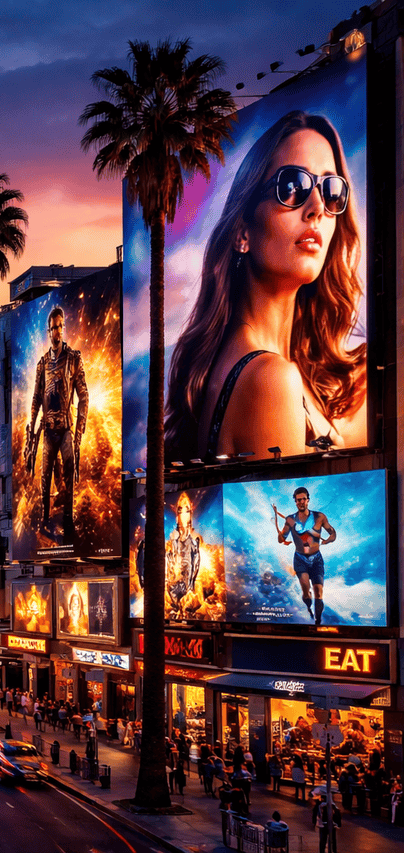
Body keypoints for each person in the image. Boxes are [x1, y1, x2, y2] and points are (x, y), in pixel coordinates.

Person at [165, 111, 367, 463]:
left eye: (331, 191)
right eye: (293, 187)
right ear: (243, 232)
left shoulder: (268, 366)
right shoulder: (270, 379)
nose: (318, 208)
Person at [26, 305, 88, 540]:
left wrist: (80, 429)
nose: (57, 331)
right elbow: (35, 397)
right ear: (48, 331)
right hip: (48, 429)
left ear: (64, 327)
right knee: (44, 478)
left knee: (70, 473)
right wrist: (32, 428)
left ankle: (69, 521)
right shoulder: (42, 364)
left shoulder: (73, 359)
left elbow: (84, 396)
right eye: (53, 328)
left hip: (66, 428)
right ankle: (44, 521)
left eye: (60, 326)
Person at [273, 486, 337, 625]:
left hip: (316, 559)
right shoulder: (290, 519)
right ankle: (308, 607)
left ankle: (318, 622)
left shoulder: (319, 517)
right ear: (295, 502)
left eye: (303, 499)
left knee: (319, 593)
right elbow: (281, 539)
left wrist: (328, 539)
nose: (301, 502)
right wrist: (281, 533)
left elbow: (332, 533)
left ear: (308, 500)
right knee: (306, 593)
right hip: (300, 559)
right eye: (298, 500)